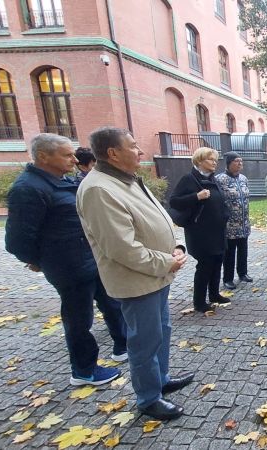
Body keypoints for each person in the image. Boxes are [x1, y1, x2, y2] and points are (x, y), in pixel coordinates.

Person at [77, 127, 194, 421]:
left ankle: (160, 380)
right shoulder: (99, 189)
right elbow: (122, 248)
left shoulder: (125, 179)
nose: (140, 151)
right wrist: (166, 261)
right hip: (137, 280)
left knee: (161, 332)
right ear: (113, 153)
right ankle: (148, 398)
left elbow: (154, 220)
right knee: (144, 341)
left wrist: (176, 246)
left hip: (156, 274)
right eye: (132, 146)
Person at [5, 133, 127, 387]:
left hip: (90, 259)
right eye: (67, 155)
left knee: (113, 304)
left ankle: (123, 346)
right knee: (79, 320)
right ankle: (84, 371)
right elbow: (17, 239)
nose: (75, 159)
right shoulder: (27, 189)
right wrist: (39, 260)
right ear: (43, 156)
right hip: (69, 267)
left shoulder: (62, 181)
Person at [169, 147, 230, 313]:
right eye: (211, 159)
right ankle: (199, 302)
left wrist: (225, 214)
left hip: (217, 231)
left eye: (215, 160)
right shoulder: (189, 179)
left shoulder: (212, 178)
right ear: (200, 161)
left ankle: (214, 294)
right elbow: (174, 201)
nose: (215, 162)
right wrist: (196, 196)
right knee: (205, 266)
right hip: (200, 233)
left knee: (217, 262)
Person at [216, 151, 253, 290]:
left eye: (241, 161)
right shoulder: (220, 179)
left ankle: (243, 273)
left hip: (244, 223)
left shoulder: (243, 178)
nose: (240, 164)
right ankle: (228, 278)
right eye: (236, 161)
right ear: (228, 163)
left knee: (243, 250)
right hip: (229, 224)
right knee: (229, 253)